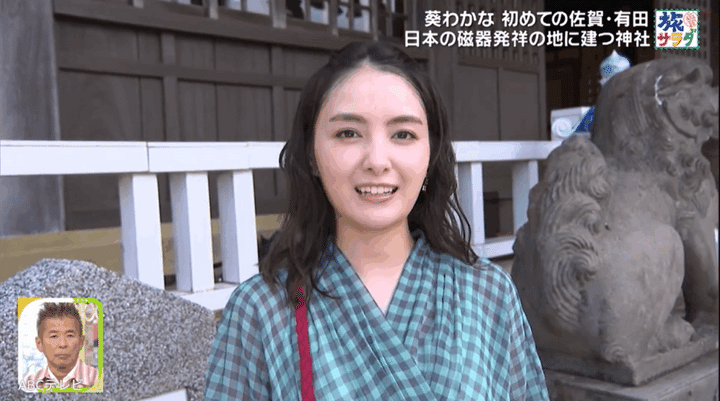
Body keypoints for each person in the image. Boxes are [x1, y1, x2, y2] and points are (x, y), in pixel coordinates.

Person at [205, 41, 549, 400]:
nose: (377, 161)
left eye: (403, 134)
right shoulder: (262, 309)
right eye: (348, 133)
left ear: (430, 154)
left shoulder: (487, 292)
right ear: (311, 155)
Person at [22, 302, 99, 390]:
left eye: (70, 335)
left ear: (81, 341)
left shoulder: (97, 380)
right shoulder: (28, 384)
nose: (63, 344)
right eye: (54, 336)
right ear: (39, 344)